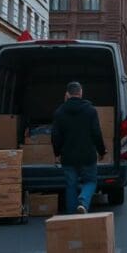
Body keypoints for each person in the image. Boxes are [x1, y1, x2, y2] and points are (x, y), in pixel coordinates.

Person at [52, 82, 106, 214]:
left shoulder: (59, 112)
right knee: (91, 181)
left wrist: (57, 152)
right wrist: (101, 150)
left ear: (67, 94)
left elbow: (55, 136)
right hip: (87, 155)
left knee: (71, 185)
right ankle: (83, 200)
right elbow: (96, 133)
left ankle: (72, 215)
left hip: (68, 156)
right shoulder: (90, 110)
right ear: (80, 93)